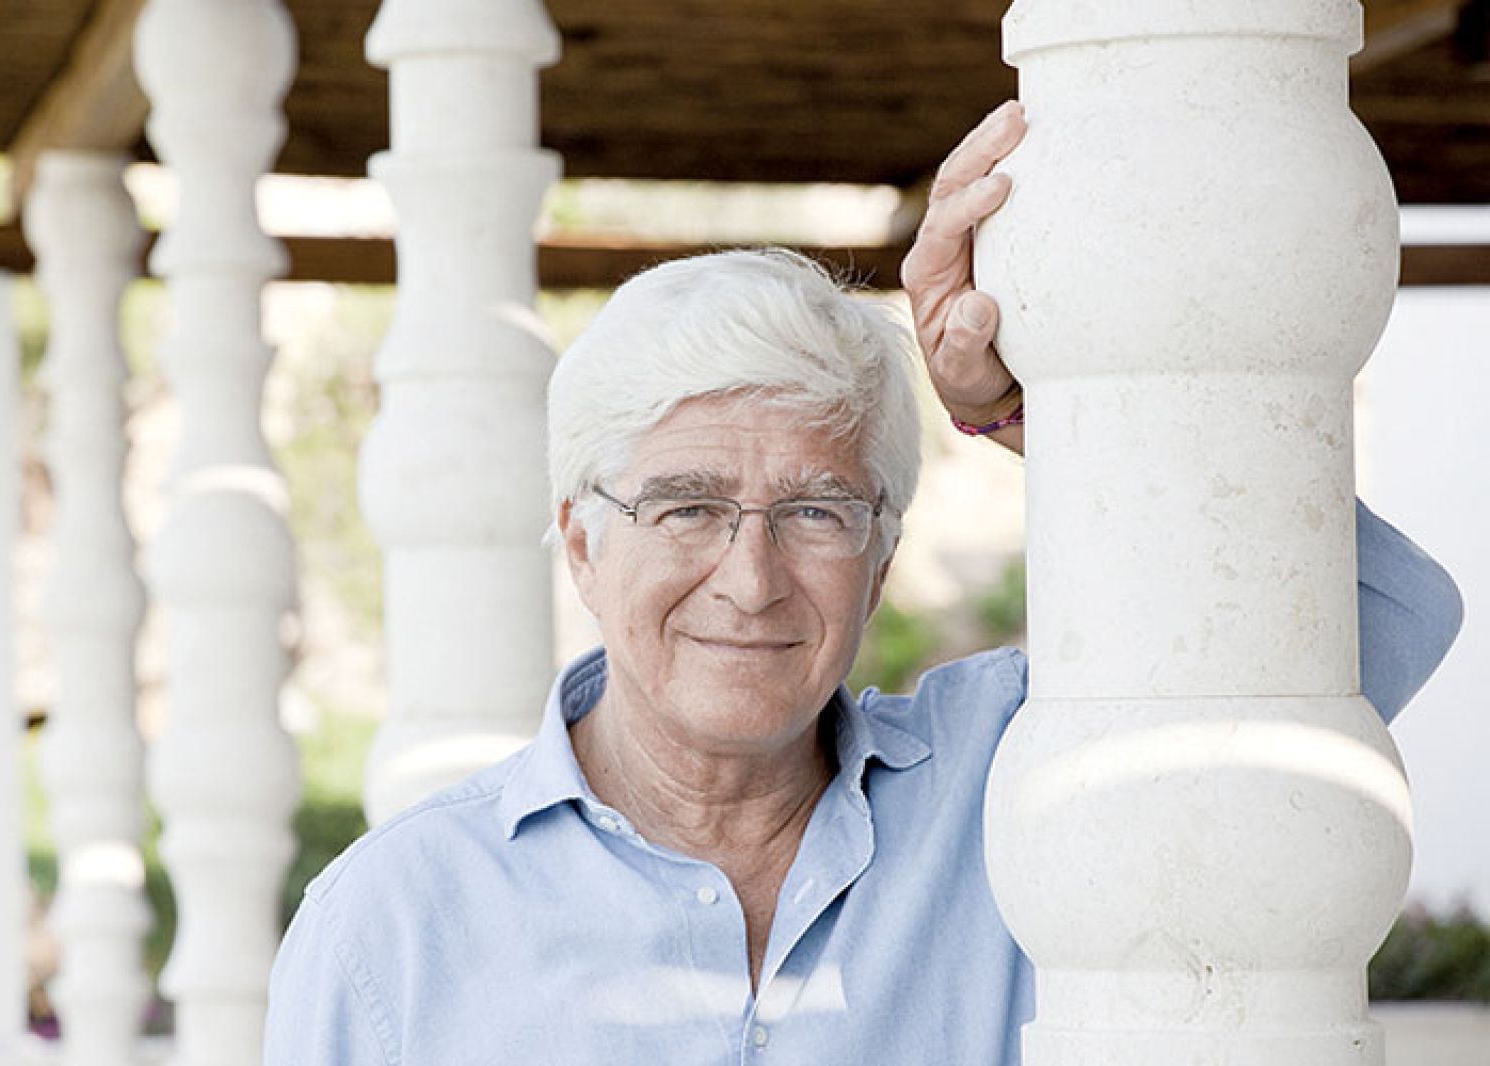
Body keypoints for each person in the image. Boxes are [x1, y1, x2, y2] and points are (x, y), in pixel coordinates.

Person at [263, 102, 1463, 1064]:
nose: (750, 581)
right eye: (686, 507)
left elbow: (1367, 613)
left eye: (815, 512)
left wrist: (1040, 418)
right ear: (580, 543)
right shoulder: (395, 919)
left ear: (882, 554)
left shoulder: (1017, 778)